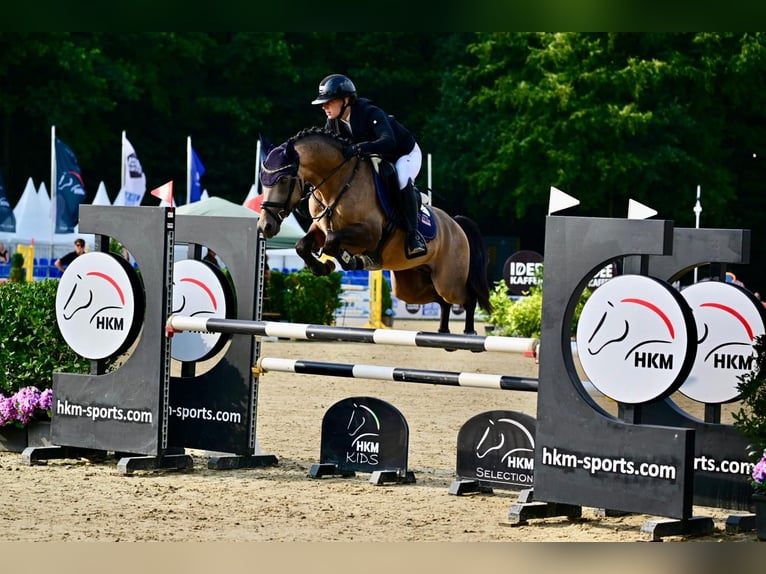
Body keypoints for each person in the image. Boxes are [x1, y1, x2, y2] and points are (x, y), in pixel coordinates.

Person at [311, 73, 427, 259]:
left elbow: (388, 142)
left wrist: (359, 147)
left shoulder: (369, 112)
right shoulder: (332, 123)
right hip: (376, 157)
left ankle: (414, 236)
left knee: (401, 178)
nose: (324, 106)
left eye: (329, 101)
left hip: (404, 153)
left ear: (346, 100)